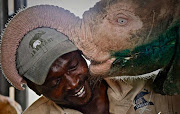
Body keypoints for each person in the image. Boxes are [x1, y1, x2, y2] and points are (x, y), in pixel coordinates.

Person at [1, 4, 180, 114]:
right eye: (54, 82)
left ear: (82, 54)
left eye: (72, 66)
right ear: (34, 88)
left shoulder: (143, 82)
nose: (72, 83)